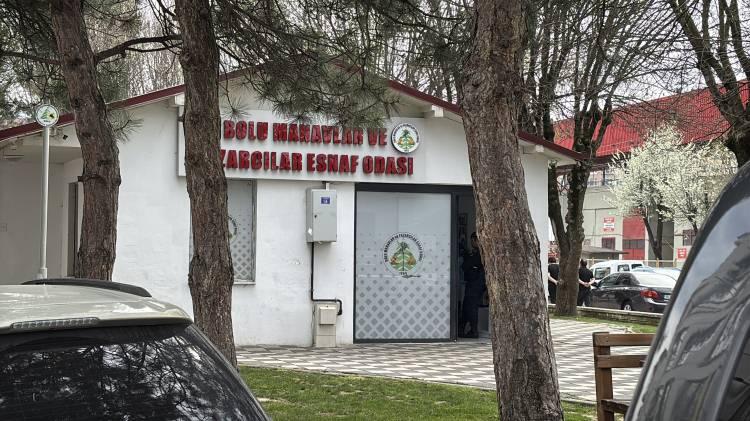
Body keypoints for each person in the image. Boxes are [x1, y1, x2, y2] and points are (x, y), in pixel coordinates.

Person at [460, 232, 485, 338]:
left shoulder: (480, 254)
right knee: (467, 305)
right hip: (475, 284)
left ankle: (473, 331)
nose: (471, 243)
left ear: (476, 240)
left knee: (471, 307)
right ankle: (461, 328)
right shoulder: (478, 253)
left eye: (472, 241)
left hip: (475, 284)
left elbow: (465, 266)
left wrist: (467, 256)